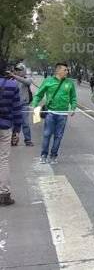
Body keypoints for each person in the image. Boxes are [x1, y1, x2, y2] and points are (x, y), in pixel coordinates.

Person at [31, 63, 77, 164]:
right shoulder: (48, 81)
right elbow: (39, 94)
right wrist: (34, 104)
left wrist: (73, 108)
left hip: (63, 114)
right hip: (50, 113)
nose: (67, 72)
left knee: (58, 136)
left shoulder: (69, 83)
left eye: (67, 70)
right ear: (58, 71)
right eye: (65, 70)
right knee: (47, 134)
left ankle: (53, 156)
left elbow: (73, 97)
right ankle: (43, 155)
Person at [0, 61, 24, 206]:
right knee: (3, 159)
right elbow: (17, 110)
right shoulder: (11, 86)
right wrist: (17, 131)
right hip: (5, 127)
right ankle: (4, 194)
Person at [9, 64, 33, 146]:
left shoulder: (27, 79)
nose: (17, 71)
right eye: (16, 70)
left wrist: (14, 76)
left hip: (24, 105)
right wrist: (12, 76)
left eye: (20, 70)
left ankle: (28, 140)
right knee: (13, 124)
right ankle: (13, 140)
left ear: (24, 71)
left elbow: (27, 82)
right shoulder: (11, 79)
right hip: (13, 105)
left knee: (25, 123)